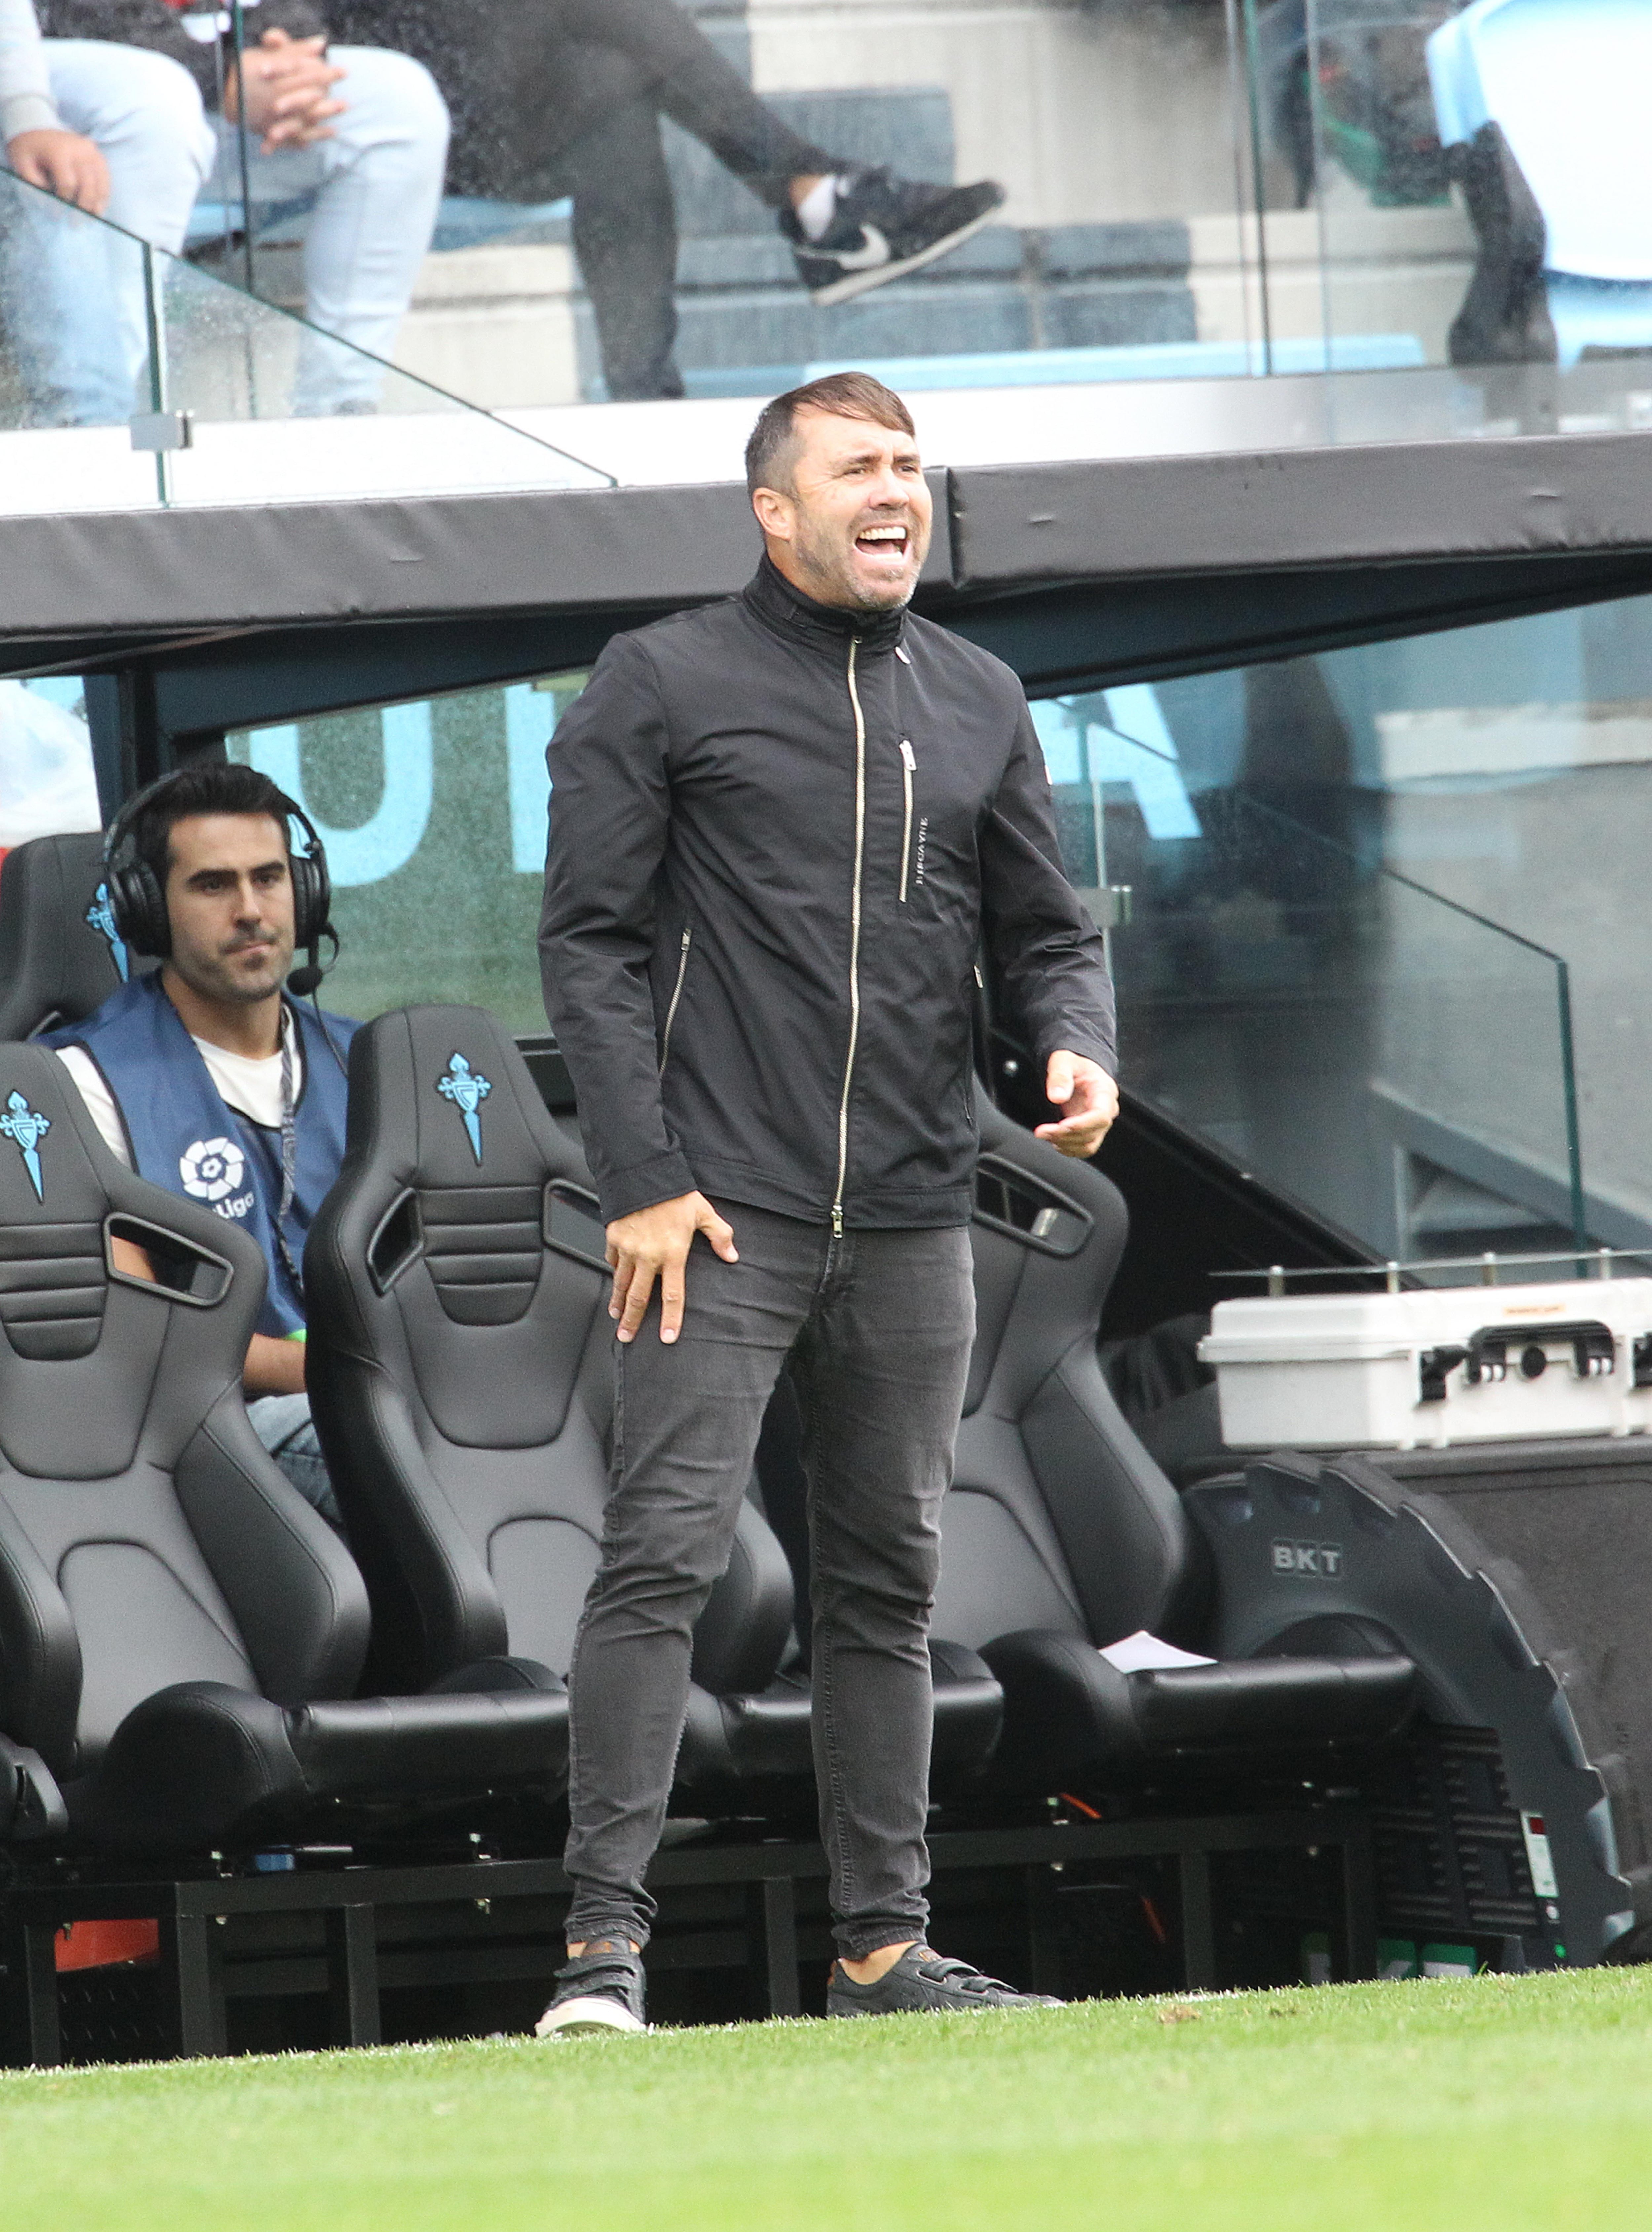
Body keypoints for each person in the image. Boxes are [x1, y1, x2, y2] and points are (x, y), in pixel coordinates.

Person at [537, 370, 1119, 2033]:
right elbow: (587, 943)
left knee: (888, 1584)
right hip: (717, 1213)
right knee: (661, 1563)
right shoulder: (660, 678)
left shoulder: (983, 691)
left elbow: (1049, 930)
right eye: (861, 466)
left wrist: (1076, 1045)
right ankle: (599, 1958)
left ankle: (881, 1951)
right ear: (772, 508)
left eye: (913, 467)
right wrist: (640, 1178)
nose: (900, 491)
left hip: (918, 1211)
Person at [330, 0, 1005, 400]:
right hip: (385, 116)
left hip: (491, 95)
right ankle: (815, 197)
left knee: (612, 85)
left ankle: (645, 400)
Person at [41, 762, 357, 1526]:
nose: (251, 910)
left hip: (382, 1394)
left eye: (269, 878)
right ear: (149, 913)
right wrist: (343, 1371)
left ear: (304, 891)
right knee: (395, 1453)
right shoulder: (85, 1082)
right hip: (217, 1424)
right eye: (213, 886)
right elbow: (137, 1332)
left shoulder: (370, 1060)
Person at [0, 0, 448, 421]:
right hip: (41, 64)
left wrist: (282, 43)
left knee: (398, 100)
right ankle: (97, 427)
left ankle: (339, 416)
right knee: (152, 98)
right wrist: (222, 71)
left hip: (202, 56)